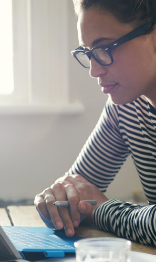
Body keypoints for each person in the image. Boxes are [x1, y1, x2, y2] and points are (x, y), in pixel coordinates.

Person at [34, 0, 156, 246]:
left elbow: (92, 206)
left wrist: (102, 210)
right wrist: (55, 199)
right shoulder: (126, 108)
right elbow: (76, 194)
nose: (94, 70)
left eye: (104, 48)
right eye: (88, 53)